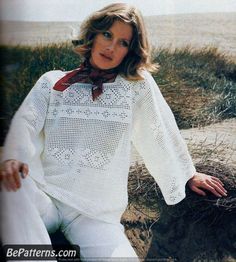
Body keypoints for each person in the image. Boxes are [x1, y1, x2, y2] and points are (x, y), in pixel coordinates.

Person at [0, 3, 227, 261]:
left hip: (96, 215)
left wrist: (188, 173)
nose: (111, 47)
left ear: (130, 51)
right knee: (9, 185)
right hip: (48, 199)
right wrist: (12, 158)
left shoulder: (135, 86)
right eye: (107, 35)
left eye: (122, 42)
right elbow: (26, 123)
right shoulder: (52, 82)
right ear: (93, 34)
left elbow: (159, 130)